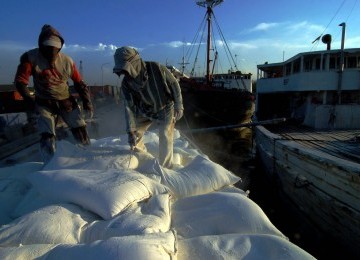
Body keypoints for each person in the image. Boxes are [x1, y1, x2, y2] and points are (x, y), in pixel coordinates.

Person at [14, 24, 93, 162]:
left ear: (60, 46)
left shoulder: (67, 61)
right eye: (48, 47)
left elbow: (79, 84)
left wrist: (87, 102)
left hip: (65, 100)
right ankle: (50, 164)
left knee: (80, 128)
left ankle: (87, 157)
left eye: (55, 47)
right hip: (44, 102)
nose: (52, 51)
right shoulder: (30, 58)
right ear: (41, 45)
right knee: (47, 135)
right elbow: (21, 82)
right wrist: (30, 100)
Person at [113, 46, 184, 168]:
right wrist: (131, 130)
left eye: (126, 69)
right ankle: (144, 158)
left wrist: (179, 104)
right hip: (145, 110)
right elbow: (128, 107)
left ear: (135, 63)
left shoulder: (156, 68)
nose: (125, 74)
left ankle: (166, 167)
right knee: (136, 135)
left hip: (164, 107)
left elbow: (174, 84)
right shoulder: (126, 84)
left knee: (166, 135)